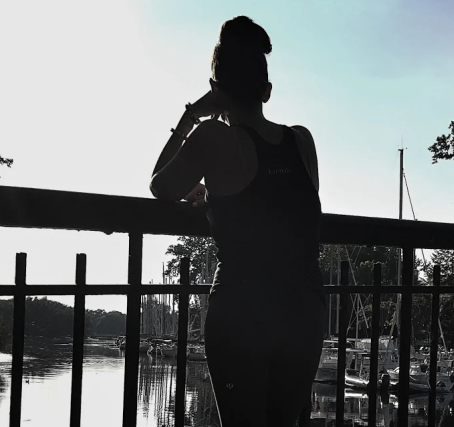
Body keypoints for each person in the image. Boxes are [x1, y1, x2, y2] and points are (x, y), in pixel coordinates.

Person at [149, 15, 326, 427]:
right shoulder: (302, 141)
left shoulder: (213, 137)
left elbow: (161, 185)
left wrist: (192, 116)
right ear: (267, 89)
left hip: (242, 311)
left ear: (216, 90)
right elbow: (282, 205)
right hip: (303, 309)